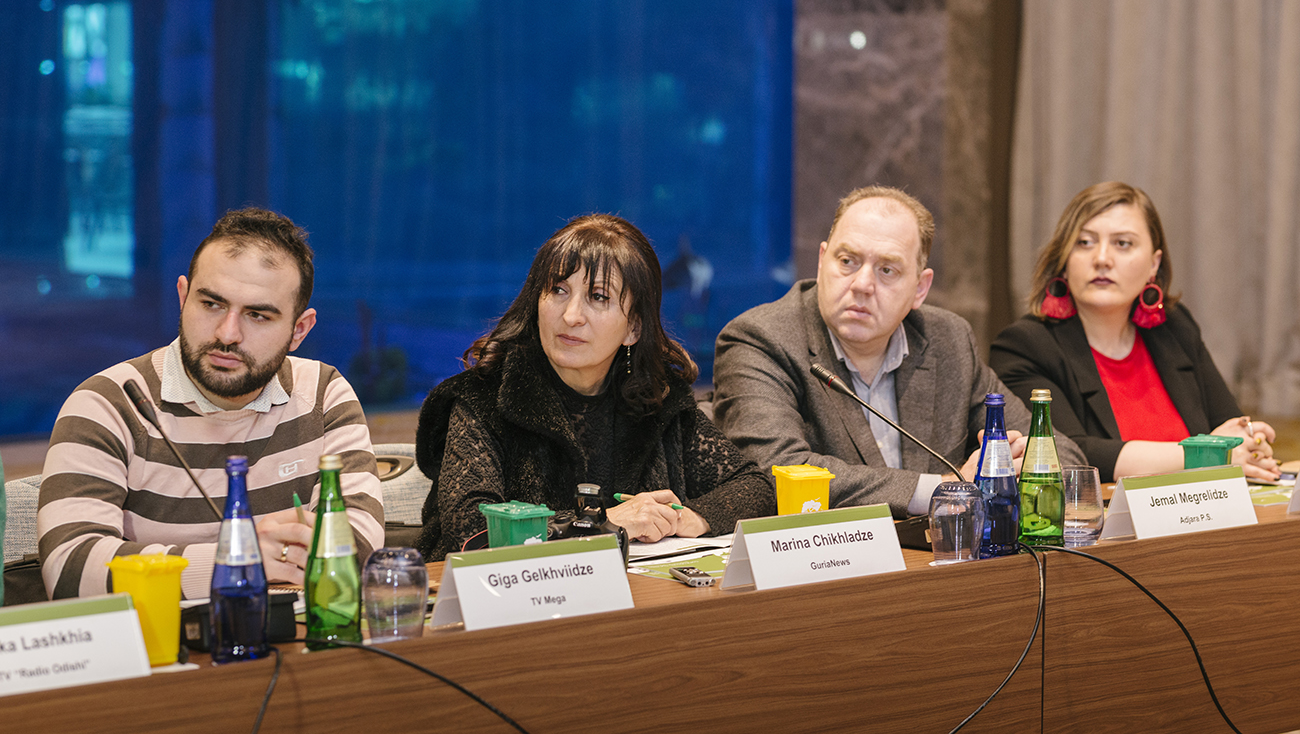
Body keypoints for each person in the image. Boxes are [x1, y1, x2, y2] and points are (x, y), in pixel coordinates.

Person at [38, 208, 384, 600]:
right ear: (183, 297)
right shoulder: (106, 404)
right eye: (212, 304)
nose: (227, 334)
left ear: (298, 330)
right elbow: (69, 570)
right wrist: (235, 561)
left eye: (258, 315)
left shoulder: (323, 394)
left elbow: (357, 546)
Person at [415, 214, 774, 561]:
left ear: (633, 328)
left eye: (598, 297)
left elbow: (755, 487)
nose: (571, 315)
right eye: (558, 290)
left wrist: (687, 517)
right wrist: (602, 523)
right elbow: (474, 533)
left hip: (632, 594)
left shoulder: (657, 399)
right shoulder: (484, 398)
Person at [713, 186, 1085, 519]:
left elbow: (1060, 453)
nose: (862, 284)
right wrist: (944, 489)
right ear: (823, 260)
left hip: (939, 559)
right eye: (847, 261)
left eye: (887, 270)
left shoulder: (948, 339)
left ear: (920, 289)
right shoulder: (761, 339)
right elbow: (774, 471)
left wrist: (1024, 467)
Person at [990, 182, 1278, 483]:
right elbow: (1068, 453)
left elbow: (1229, 429)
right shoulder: (1024, 346)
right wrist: (1209, 455)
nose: (1102, 258)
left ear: (1154, 264)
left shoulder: (1173, 328)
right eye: (1084, 242)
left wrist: (1250, 442)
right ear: (1064, 261)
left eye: (1123, 243)